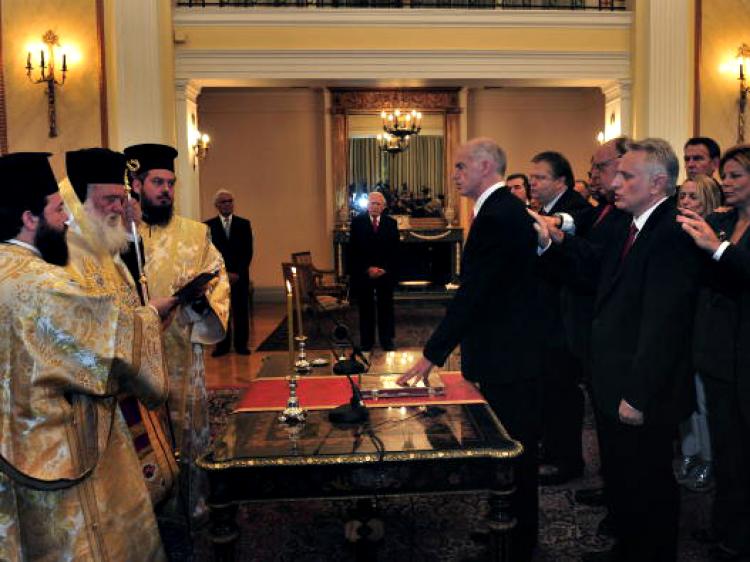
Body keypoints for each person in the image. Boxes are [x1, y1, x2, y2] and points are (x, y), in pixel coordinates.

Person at [534, 138, 703, 562]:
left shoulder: (672, 232)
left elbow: (664, 325)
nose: (616, 183)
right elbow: (590, 272)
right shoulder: (632, 225)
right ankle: (629, 547)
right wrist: (549, 240)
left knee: (648, 482)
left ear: (658, 182)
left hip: (641, 388)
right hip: (613, 378)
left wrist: (637, 394)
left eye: (627, 176)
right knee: (624, 478)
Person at [0, 152, 172, 561]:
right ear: (29, 218)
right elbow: (111, 341)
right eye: (59, 209)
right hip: (55, 443)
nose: (67, 219)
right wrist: (152, 317)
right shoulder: (41, 281)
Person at [399, 138, 541, 561]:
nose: (454, 174)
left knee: (513, 447)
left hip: (510, 354)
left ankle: (516, 540)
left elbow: (475, 294)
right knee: (506, 444)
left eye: (460, 166)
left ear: (484, 166)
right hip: (505, 348)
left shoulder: (499, 214)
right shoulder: (498, 211)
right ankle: (508, 527)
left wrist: (432, 353)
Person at [62, 147, 180, 507]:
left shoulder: (98, 241)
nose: (119, 207)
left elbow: (127, 289)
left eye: (122, 198)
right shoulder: (67, 253)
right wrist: (149, 316)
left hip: (121, 392)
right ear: (81, 201)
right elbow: (91, 331)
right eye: (110, 199)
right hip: (93, 402)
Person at [124, 143, 230, 525]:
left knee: (185, 430)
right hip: (134, 360)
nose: (165, 190)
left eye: (170, 182)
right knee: (141, 437)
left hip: (182, 349)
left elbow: (218, 282)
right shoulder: (117, 234)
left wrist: (200, 301)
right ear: (135, 184)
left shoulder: (195, 233)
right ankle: (147, 515)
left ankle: (192, 505)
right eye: (156, 182)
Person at [677, 144, 750, 561]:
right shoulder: (726, 222)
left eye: (737, 175)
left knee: (744, 449)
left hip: (745, 356)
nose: (726, 182)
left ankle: (740, 537)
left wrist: (719, 249)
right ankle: (726, 527)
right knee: (726, 448)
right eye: (726, 175)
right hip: (718, 352)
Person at [529, 151, 590, 486]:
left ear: (561, 181)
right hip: (546, 320)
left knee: (563, 393)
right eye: (531, 177)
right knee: (548, 390)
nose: (532, 183)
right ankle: (550, 449)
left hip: (565, 322)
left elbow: (574, 222)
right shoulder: (544, 209)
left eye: (539, 177)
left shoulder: (575, 208)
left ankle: (568, 460)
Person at [349, 191, 399, 351]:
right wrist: (367, 268)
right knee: (366, 308)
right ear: (367, 205)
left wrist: (384, 268)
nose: (375, 206)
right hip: (365, 273)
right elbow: (353, 251)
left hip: (385, 273)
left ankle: (387, 340)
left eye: (378, 204)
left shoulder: (391, 223)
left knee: (386, 307)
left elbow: (394, 250)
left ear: (383, 207)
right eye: (372, 203)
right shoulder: (357, 223)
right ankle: (366, 341)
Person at [206, 189, 254, 356]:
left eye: (230, 201)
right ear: (217, 205)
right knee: (221, 312)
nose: (228, 204)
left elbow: (248, 251)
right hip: (219, 277)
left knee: (241, 310)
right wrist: (224, 274)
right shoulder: (208, 226)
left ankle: (241, 345)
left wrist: (237, 272)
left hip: (239, 276)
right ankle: (222, 346)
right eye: (224, 202)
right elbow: (209, 254)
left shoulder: (243, 224)